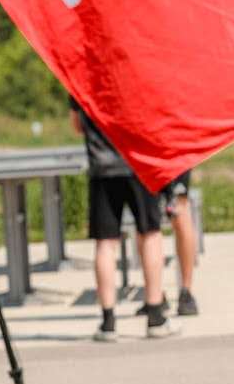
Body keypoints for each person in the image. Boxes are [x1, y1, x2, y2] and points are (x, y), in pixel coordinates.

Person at [70, 101, 177, 340]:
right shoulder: (138, 64)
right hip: (140, 161)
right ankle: (155, 316)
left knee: (105, 243)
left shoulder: (83, 68)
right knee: (150, 233)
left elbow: (77, 125)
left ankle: (108, 321)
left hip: (103, 167)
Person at [162, 171, 199, 317]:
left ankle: (184, 291)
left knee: (179, 213)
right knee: (149, 226)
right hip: (170, 154)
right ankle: (156, 295)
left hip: (171, 155)